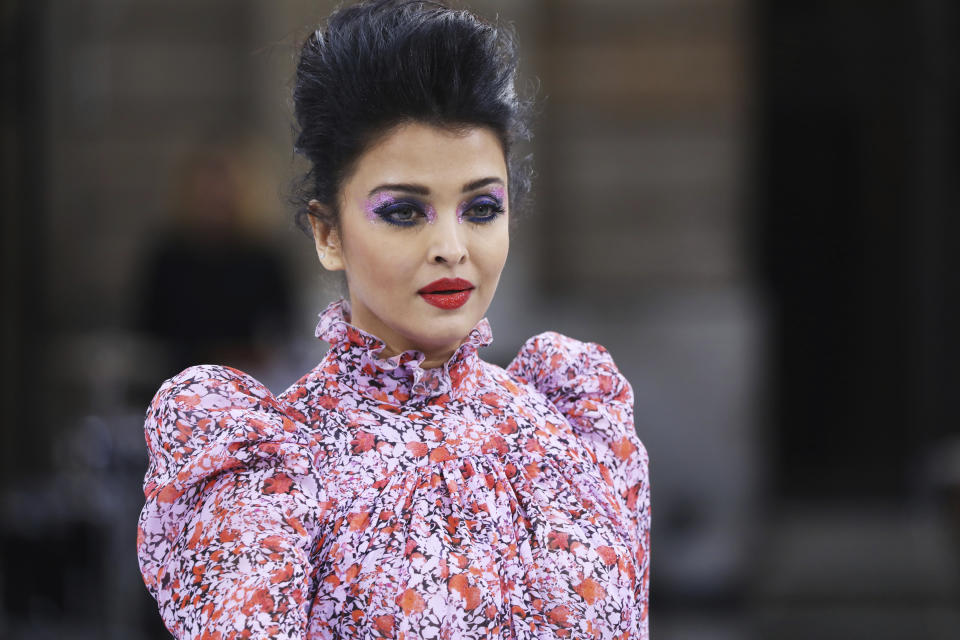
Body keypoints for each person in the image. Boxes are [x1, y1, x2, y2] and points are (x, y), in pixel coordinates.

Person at [136, 1, 650, 638]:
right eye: (405, 212)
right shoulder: (272, 469)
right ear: (327, 234)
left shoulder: (572, 429)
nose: (452, 248)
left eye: (482, 208)